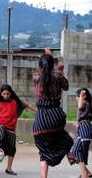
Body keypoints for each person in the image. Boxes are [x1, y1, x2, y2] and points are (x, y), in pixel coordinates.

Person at [0, 84, 36, 175]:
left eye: (7, 94)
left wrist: (39, 112)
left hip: (11, 128)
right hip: (0, 125)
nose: (6, 96)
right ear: (1, 93)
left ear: (11, 93)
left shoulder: (16, 102)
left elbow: (28, 106)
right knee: (0, 136)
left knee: (12, 148)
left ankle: (9, 168)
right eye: (4, 94)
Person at [32, 48, 74, 178]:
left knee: (43, 152)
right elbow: (66, 86)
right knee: (65, 138)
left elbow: (44, 72)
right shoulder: (57, 76)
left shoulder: (36, 77)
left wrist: (47, 57)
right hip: (56, 117)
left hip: (41, 121)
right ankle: (70, 155)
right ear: (52, 66)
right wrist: (59, 71)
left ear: (40, 66)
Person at [71, 88, 92, 178]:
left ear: (83, 96)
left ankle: (85, 175)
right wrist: (79, 123)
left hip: (85, 130)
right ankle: (88, 173)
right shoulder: (87, 104)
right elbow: (85, 117)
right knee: (76, 152)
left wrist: (81, 96)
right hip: (84, 128)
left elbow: (80, 106)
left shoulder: (84, 103)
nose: (76, 98)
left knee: (75, 151)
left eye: (77, 96)